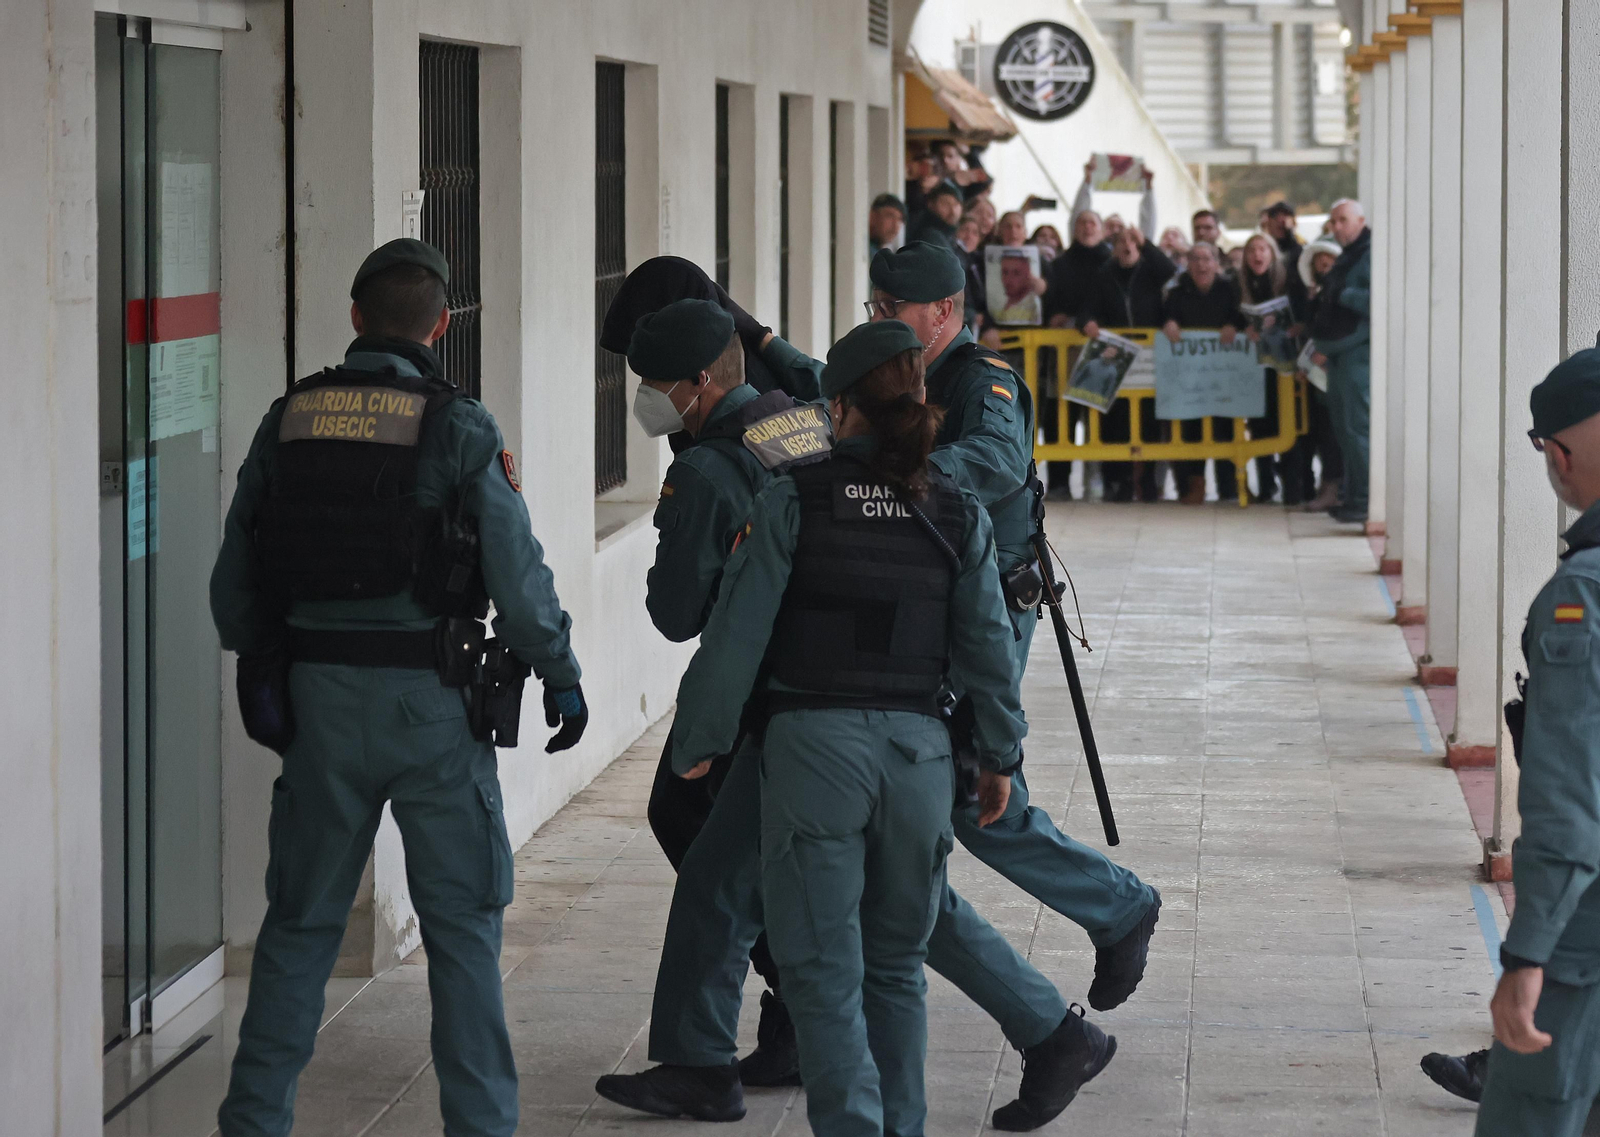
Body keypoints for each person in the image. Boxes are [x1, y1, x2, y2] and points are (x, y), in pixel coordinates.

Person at [600, 319, 1117, 1136]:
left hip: (813, 759)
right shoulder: (956, 508)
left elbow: (734, 643)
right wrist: (1000, 757)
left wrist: (699, 744)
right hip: (917, 760)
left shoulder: (793, 501)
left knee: (823, 975)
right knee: (896, 973)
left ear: (838, 409)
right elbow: (987, 647)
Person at [210, 239, 588, 1137]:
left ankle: (254, 1121)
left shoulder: (289, 417)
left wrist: (275, 660)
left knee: (300, 926)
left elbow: (234, 587)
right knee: (462, 933)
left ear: (354, 319)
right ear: (441, 325)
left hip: (318, 706)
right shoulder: (458, 425)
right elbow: (517, 574)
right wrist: (560, 671)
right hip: (434, 703)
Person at [868, 240, 1162, 1050]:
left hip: (985, 612)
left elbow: (996, 459)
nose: (882, 324)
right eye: (874, 311)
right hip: (933, 606)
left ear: (945, 314)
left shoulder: (983, 381)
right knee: (964, 796)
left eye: (893, 314)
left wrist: (896, 476)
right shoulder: (907, 379)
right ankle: (1114, 906)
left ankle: (1118, 904)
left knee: (975, 794)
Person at [1475, 349, 1600, 1137]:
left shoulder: (1581, 598)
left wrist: (1526, 957)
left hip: (1582, 943)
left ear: (1556, 455)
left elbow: (1568, 800)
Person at [598, 255, 820, 405]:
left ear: (698, 378)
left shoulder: (745, 413)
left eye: (652, 375)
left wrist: (761, 335)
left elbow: (830, 391)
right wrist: (761, 337)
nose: (647, 387)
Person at [1079, 226, 1178, 502]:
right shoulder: (1104, 275)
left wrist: (1146, 243)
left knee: (1149, 420)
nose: (1127, 245)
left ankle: (1146, 480)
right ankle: (1118, 481)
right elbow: (1088, 307)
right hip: (1118, 357)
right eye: (1121, 241)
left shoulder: (1150, 272)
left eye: (1132, 241)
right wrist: (1087, 321)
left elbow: (1170, 270)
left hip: (1149, 358)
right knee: (1116, 421)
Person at [1162, 242, 1245, 504]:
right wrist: (1168, 322)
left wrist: (1233, 324)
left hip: (1223, 374)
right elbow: (1162, 316)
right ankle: (1192, 486)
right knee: (1189, 428)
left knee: (1225, 427)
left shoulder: (1229, 290)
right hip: (1188, 376)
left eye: (1206, 259)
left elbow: (1241, 316)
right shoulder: (1176, 293)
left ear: (1216, 263)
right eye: (1195, 259)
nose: (1201, 264)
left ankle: (1229, 487)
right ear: (1187, 263)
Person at [1308, 199, 1372, 524]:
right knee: (1345, 432)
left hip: (1356, 356)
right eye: (1333, 222)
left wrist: (1342, 295)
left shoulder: (1371, 253)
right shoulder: (1349, 255)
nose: (1337, 227)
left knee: (1358, 429)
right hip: (1338, 355)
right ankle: (1353, 496)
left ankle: (1363, 500)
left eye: (1343, 220)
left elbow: (1378, 300)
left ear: (1361, 220)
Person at [1287, 237, 1346, 511]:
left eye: (1329, 259)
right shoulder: (1317, 298)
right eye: (1318, 260)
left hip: (1338, 374)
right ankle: (1328, 486)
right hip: (1318, 378)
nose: (1324, 264)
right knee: (1323, 434)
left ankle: (1335, 488)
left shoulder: (1341, 294)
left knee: (1336, 435)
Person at [1237, 233, 1297, 503]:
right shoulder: (1238, 285)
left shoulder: (1288, 283)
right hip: (1254, 368)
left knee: (1288, 421)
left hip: (1284, 366)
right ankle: (1266, 484)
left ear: (1272, 253)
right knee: (1260, 424)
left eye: (1263, 249)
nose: (1257, 255)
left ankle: (1294, 486)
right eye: (1252, 250)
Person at [989, 246, 1045, 326]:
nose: (1009, 279)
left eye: (1016, 273)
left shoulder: (1032, 306)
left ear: (1028, 275)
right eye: (1005, 272)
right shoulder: (1001, 308)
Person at [906, 181, 963, 251]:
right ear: (931, 204)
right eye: (946, 204)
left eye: (956, 205)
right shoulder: (929, 235)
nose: (953, 211)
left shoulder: (949, 236)